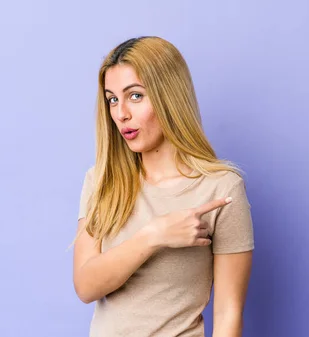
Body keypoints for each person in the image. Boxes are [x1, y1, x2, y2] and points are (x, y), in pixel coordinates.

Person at [72, 36, 255, 337]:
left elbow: (228, 314)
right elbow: (86, 285)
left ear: (169, 96)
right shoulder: (102, 181)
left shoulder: (221, 189)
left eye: (135, 96)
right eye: (112, 99)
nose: (120, 114)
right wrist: (154, 236)